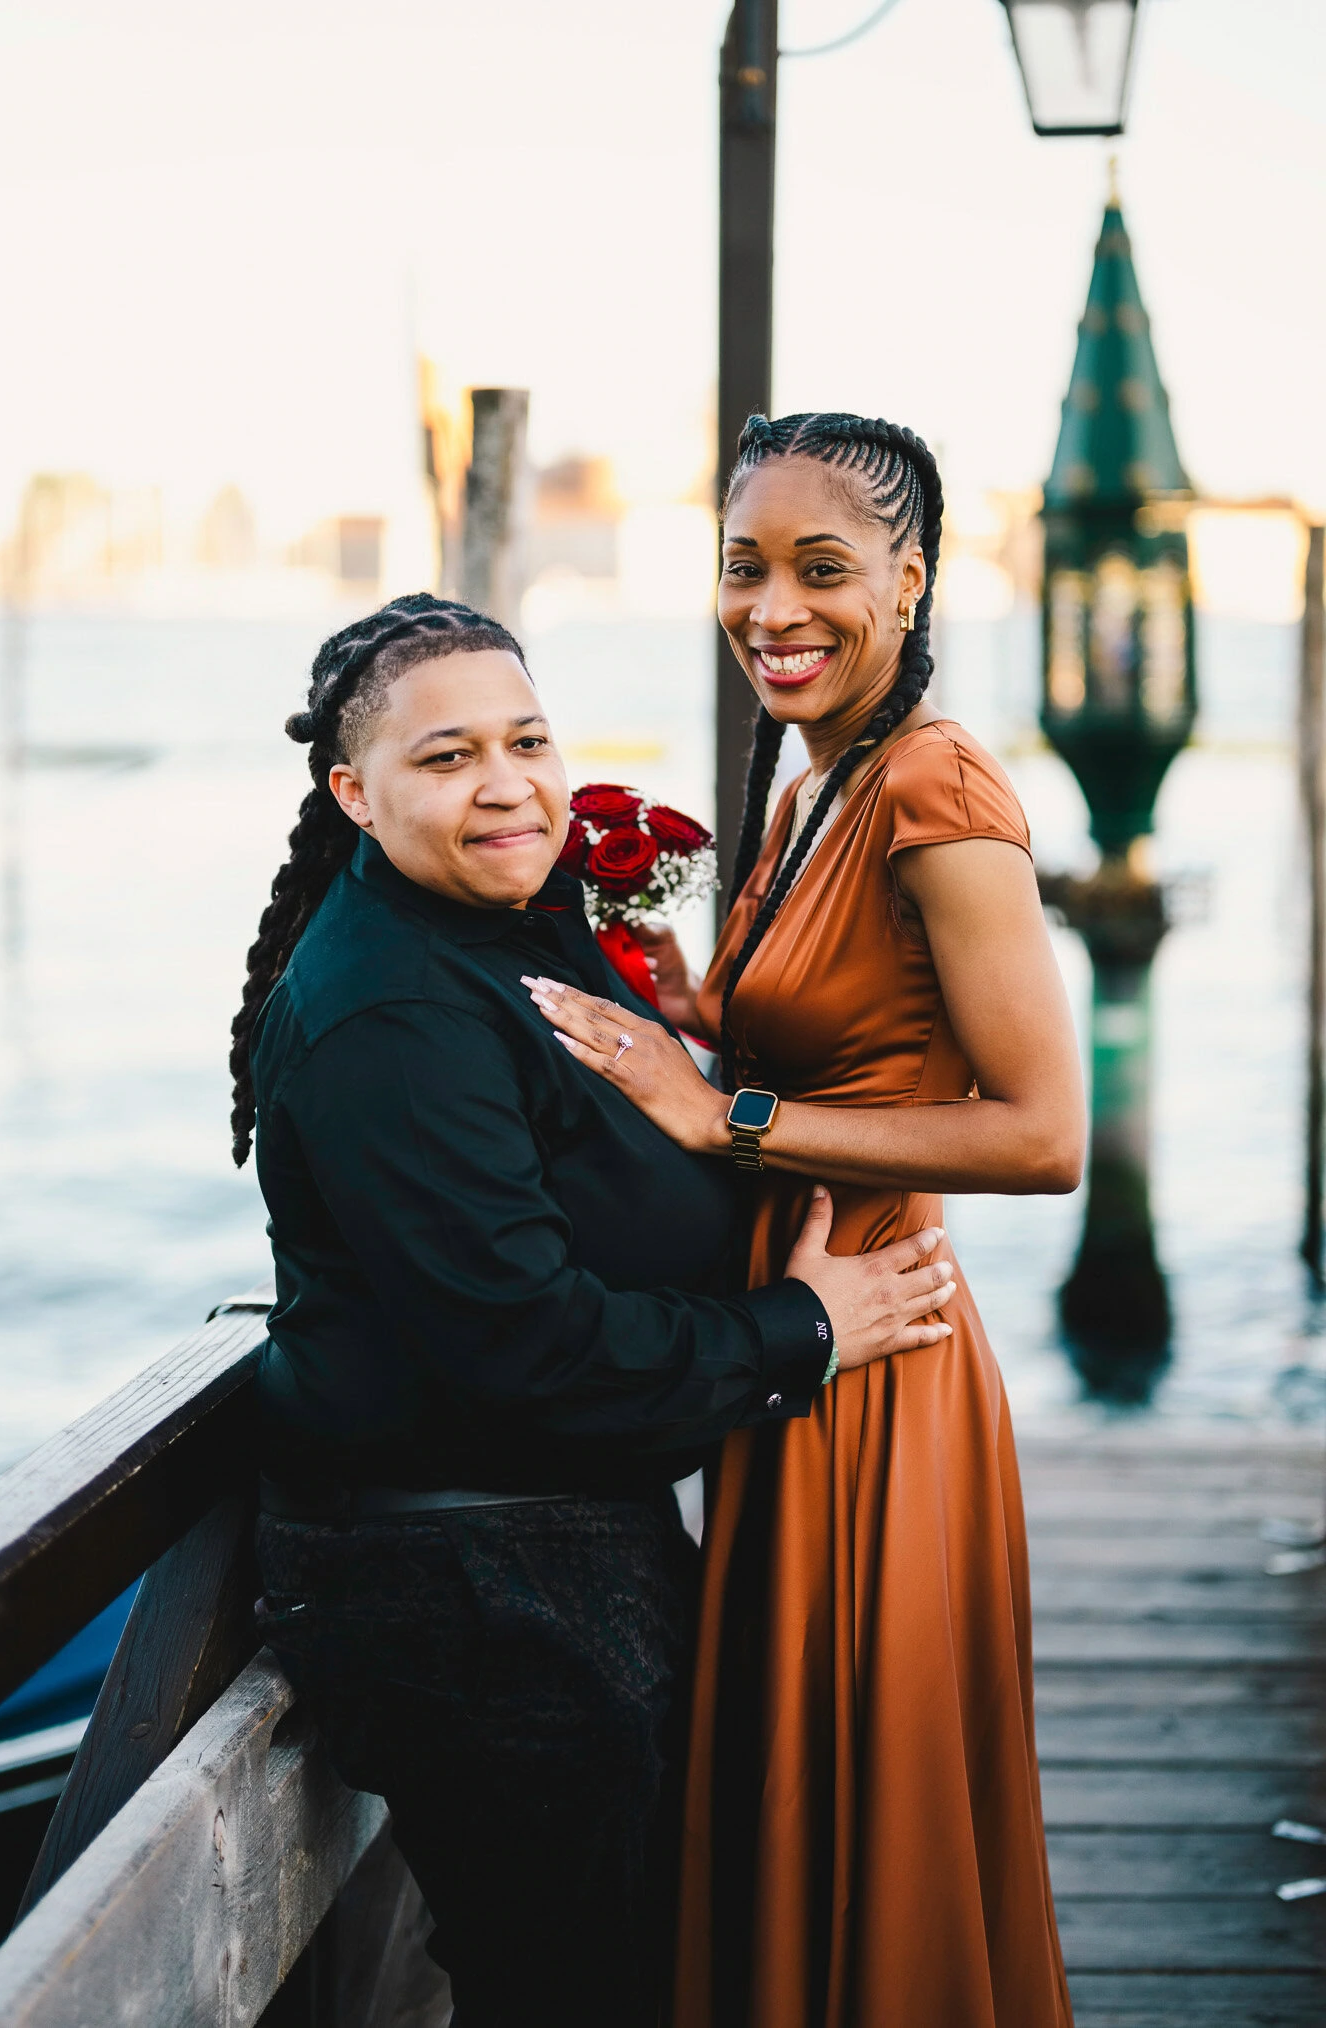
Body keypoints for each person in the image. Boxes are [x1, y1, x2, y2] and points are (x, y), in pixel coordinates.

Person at [227, 591, 957, 2028]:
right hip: (482, 1592)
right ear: (351, 793)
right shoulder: (394, 1013)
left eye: (529, 739)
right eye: (446, 759)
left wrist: (703, 1025)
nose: (509, 783)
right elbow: (527, 1349)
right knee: (581, 1989)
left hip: (554, 1557)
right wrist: (804, 1332)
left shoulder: (505, 931)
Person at [526, 414, 1086, 2028]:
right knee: (789, 1783)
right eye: (744, 566)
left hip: (881, 1357)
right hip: (784, 1346)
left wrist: (730, 1112)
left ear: (909, 583)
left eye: (823, 569)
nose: (775, 606)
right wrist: (699, 1018)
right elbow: (845, 1035)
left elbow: (1046, 1133)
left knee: (865, 1804)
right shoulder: (806, 786)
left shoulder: (935, 783)